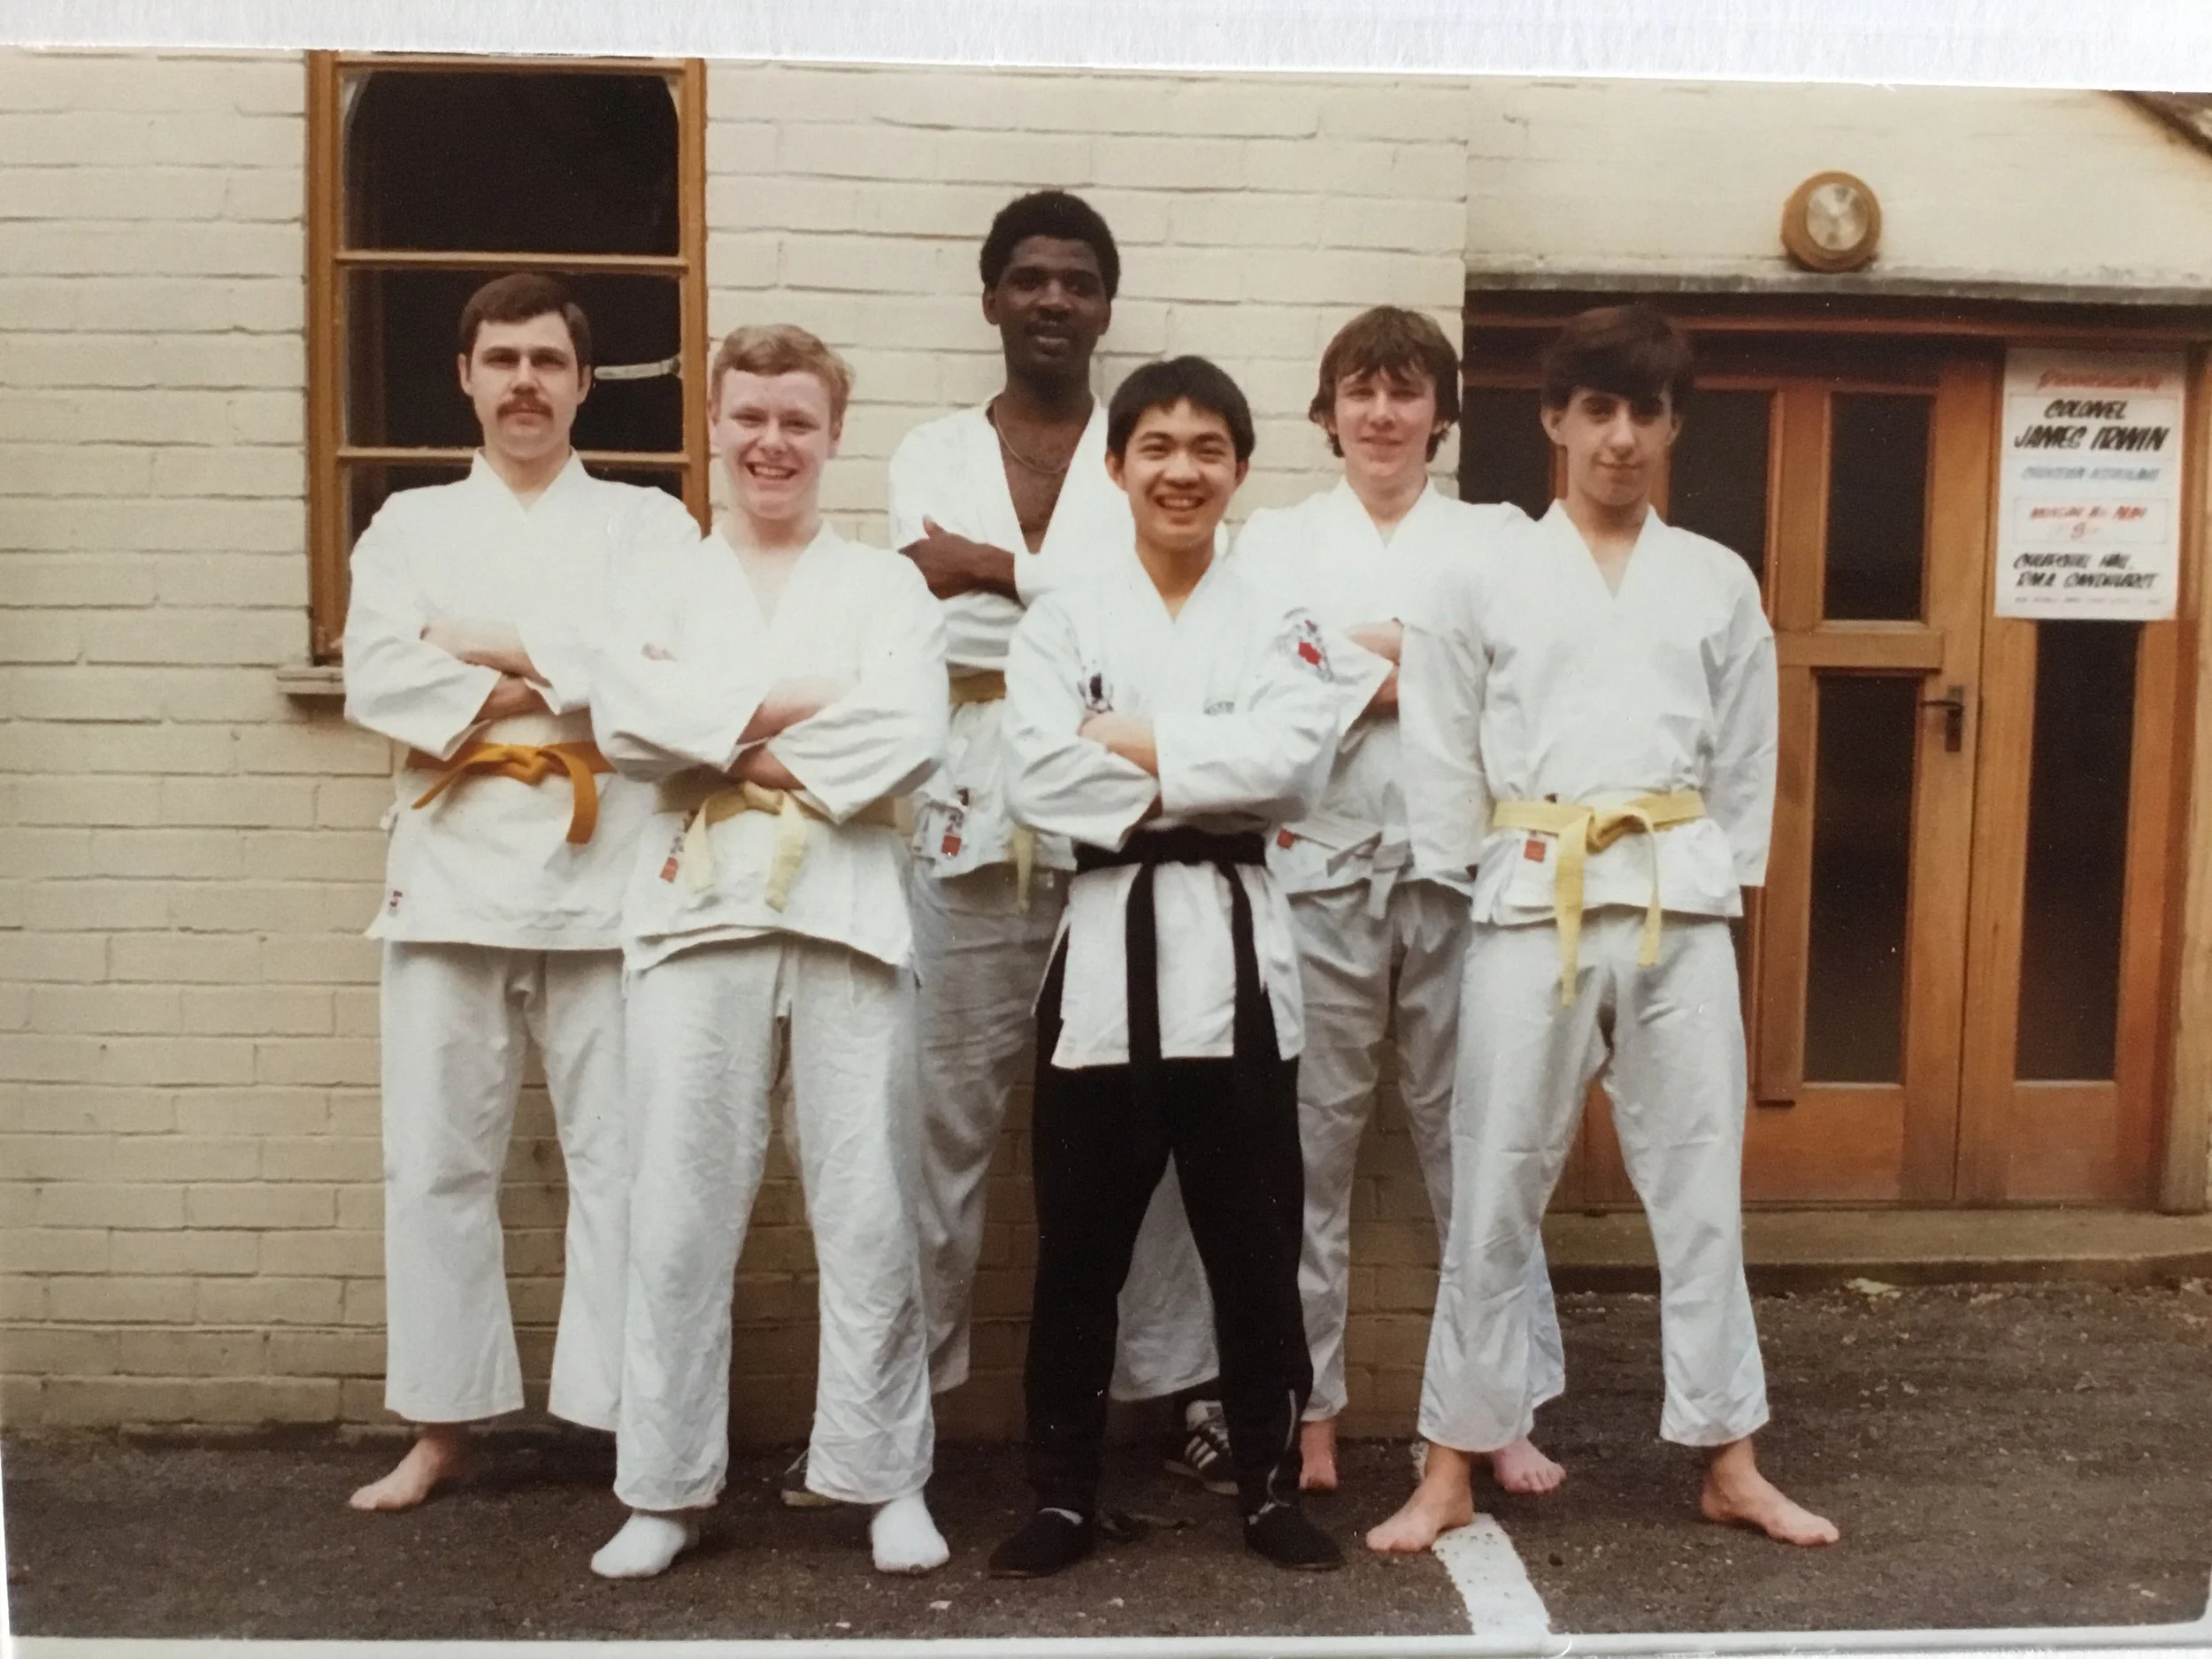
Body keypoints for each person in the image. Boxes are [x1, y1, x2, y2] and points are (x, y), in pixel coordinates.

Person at [1368, 303, 1839, 1554]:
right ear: (1555, 419)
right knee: (1494, 1182)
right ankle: (1449, 1462)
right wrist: (1484, 870)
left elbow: (1748, 758)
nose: (1621, 437)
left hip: (1676, 902)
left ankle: (1730, 1454)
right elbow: (1439, 742)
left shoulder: (1715, 578)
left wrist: (1715, 879)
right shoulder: (1480, 571)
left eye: (1646, 413)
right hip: (1535, 893)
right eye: (1599, 411)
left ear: (1675, 425)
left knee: (1697, 1183)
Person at [992, 357, 1388, 1578]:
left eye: (1207, 447)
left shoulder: (1278, 614)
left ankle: (1270, 1485)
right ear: (1116, 468)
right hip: (1105, 951)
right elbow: (1035, 776)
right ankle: (1062, 1491)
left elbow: (1294, 769)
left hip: (1236, 948)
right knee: (1080, 1245)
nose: (1181, 468)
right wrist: (1206, 763)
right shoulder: (1063, 611)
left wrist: (1131, 739)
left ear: (1239, 469)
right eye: (1156, 445)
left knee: (1254, 1240)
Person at [583, 326, 951, 1579]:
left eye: (798, 421)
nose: (772, 442)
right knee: (680, 1209)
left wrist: (722, 726)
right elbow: (628, 715)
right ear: (716, 426)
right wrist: (802, 700)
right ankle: (666, 1486)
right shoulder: (658, 576)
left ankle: (884, 1473)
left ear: (832, 435)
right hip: (697, 906)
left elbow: (908, 727)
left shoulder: (887, 587)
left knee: (864, 1201)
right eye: (750, 417)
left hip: (846, 904)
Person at [341, 273, 702, 1513]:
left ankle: (611, 1416)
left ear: (585, 381)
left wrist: (484, 640)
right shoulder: (406, 524)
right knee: (437, 1155)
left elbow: (662, 670)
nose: (526, 383)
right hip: (447, 866)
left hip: (606, 867)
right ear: (466, 376)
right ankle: (443, 1427)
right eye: (502, 360)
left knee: (621, 1153)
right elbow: (376, 676)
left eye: (549, 360)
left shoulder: (650, 527)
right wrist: (559, 662)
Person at [887, 189, 1226, 1494]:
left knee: (1149, 1106)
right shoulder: (929, 448)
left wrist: (1002, 574)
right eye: (1028, 278)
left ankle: (1181, 1387)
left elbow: (1150, 597)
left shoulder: (1143, 445)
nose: (1052, 299)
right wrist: (1048, 596)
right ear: (991, 299)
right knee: (941, 1122)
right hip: (964, 821)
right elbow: (928, 584)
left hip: (1115, 820)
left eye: (1077, 281)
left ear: (1104, 306)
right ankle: (902, 1406)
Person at [1232, 306, 1564, 1497]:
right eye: (1360, 392)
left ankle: (1500, 1408)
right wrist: (1423, 656)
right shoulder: (1272, 539)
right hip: (1316, 867)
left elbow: (1515, 671)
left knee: (1476, 1147)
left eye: (1406, 391)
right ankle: (1306, 1410)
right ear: (1326, 412)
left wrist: (1349, 655)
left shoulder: (1497, 535)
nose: (1382, 412)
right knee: (1307, 1154)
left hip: (1455, 870)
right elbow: (1263, 671)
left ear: (1441, 411)